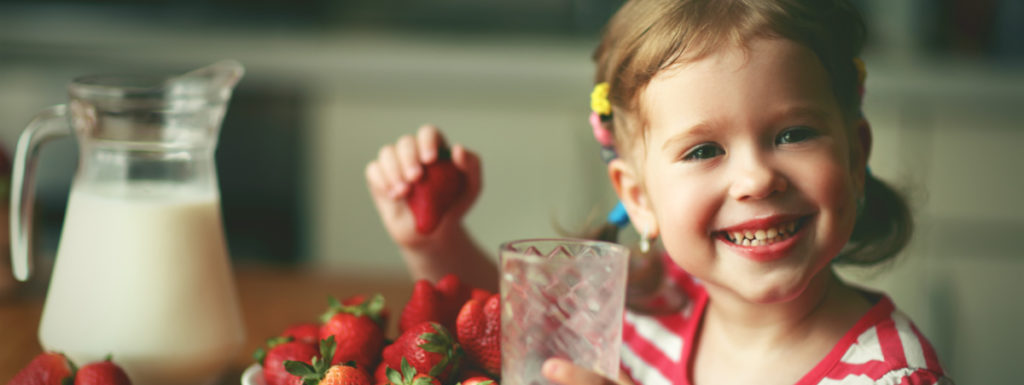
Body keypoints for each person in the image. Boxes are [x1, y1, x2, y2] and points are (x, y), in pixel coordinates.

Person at [365, 0, 952, 384]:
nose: (754, 179)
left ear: (855, 156)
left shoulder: (890, 376)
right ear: (639, 196)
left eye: (793, 134)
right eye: (703, 150)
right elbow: (513, 336)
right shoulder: (651, 301)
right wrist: (434, 236)